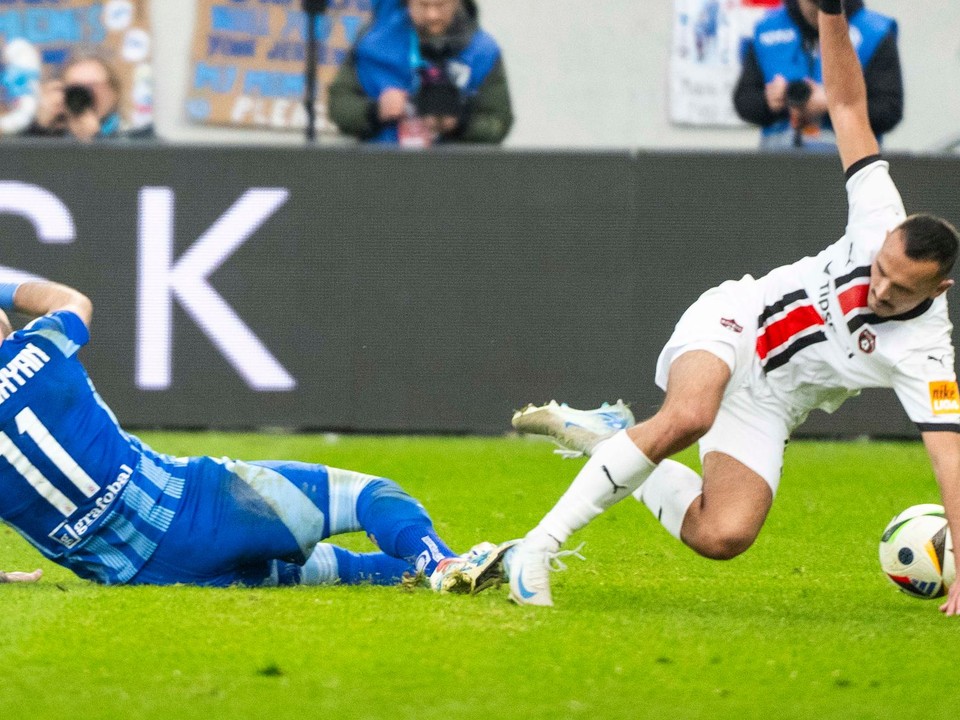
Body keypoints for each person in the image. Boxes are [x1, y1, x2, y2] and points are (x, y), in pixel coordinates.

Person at [505, 1, 960, 618]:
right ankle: (536, 548)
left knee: (723, 536)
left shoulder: (927, 353)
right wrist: (831, 13)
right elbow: (849, 107)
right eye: (880, 270)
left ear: (937, 293)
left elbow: (947, 454)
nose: (879, 290)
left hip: (773, 403)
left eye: (901, 290)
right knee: (688, 414)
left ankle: (610, 438)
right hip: (737, 322)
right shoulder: (880, 211)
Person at [0, 279, 508, 591]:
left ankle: (453, 569)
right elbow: (71, 299)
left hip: (141, 575)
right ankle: (441, 563)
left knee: (344, 570)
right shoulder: (42, 347)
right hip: (198, 508)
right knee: (369, 496)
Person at [328, 0, 512, 146]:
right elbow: (338, 104)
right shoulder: (372, 43)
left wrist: (459, 124)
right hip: (381, 171)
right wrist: (376, 111)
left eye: (441, 5)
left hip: (452, 177)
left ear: (457, 2)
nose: (432, 15)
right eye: (423, 5)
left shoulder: (483, 52)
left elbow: (499, 123)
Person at [733, 0, 902, 151]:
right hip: (779, 168)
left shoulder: (874, 31)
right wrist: (770, 101)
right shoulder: (766, 29)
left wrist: (834, 103)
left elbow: (889, 110)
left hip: (849, 167)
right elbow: (744, 100)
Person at [25, 54, 152, 142]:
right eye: (75, 87)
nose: (84, 94)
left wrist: (95, 140)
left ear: (114, 93)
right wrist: (40, 127)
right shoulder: (53, 138)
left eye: (93, 86)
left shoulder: (137, 136)